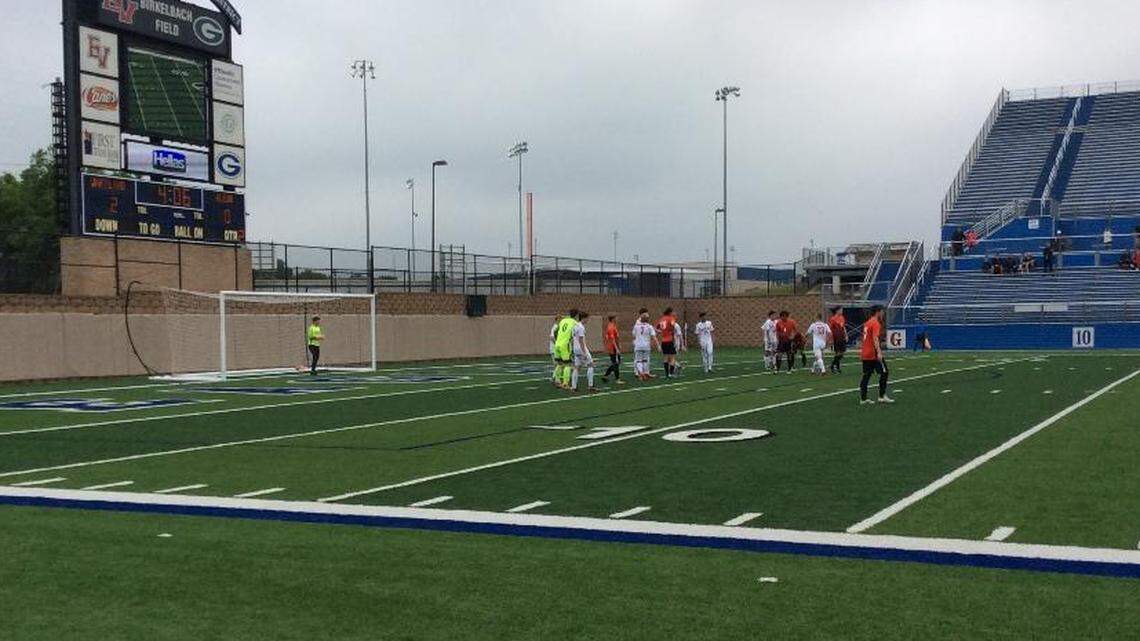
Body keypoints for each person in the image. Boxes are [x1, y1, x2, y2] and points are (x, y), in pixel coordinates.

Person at [859, 305, 893, 405]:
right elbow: (875, 338)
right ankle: (881, 396)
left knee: (866, 375)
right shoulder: (875, 323)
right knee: (885, 372)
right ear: (878, 312)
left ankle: (863, 398)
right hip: (872, 353)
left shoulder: (867, 322)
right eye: (882, 312)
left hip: (865, 352)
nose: (883, 314)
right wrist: (879, 352)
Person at [570, 312, 598, 393]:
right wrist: (585, 353)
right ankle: (590, 386)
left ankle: (574, 387)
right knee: (591, 365)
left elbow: (572, 339)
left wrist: (573, 349)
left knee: (577, 367)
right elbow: (581, 341)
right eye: (587, 318)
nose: (588, 320)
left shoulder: (575, 326)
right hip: (581, 349)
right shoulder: (581, 327)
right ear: (584, 318)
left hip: (575, 349)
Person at [553, 309, 578, 389]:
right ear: (576, 315)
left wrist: (558, 339)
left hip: (557, 344)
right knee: (568, 364)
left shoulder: (563, 320)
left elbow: (555, 331)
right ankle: (565, 383)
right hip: (565, 344)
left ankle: (557, 381)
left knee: (559, 363)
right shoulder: (574, 323)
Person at [632, 308, 659, 381]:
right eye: (646, 314)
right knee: (644, 360)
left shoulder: (636, 325)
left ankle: (643, 373)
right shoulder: (648, 326)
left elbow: (633, 334)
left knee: (639, 360)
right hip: (646, 345)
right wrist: (658, 345)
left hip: (638, 345)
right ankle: (640, 373)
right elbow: (654, 336)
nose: (647, 315)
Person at [656, 307, 682, 378]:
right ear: (670, 312)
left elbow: (657, 328)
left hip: (663, 341)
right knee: (672, 357)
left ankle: (667, 374)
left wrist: (662, 331)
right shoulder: (671, 318)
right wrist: (670, 330)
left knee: (665, 358)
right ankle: (671, 373)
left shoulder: (662, 319)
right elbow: (673, 325)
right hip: (670, 340)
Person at [601, 314, 625, 385]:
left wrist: (618, 345)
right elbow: (612, 339)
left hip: (613, 347)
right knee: (616, 363)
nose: (616, 319)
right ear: (612, 319)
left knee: (616, 363)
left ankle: (606, 375)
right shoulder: (611, 327)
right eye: (615, 318)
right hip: (612, 348)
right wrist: (617, 348)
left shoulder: (612, 326)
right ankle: (617, 379)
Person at [828, 307, 848, 373]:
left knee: (842, 353)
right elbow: (830, 329)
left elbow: (843, 327)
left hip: (842, 337)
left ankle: (832, 365)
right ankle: (837, 368)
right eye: (841, 310)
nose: (842, 311)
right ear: (837, 311)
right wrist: (831, 339)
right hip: (836, 337)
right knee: (838, 353)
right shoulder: (833, 319)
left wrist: (846, 335)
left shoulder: (842, 317)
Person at [548, 315, 561, 386]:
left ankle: (554, 378)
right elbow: (552, 338)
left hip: (555, 349)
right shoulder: (555, 327)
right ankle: (556, 380)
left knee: (558, 364)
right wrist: (557, 345)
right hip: (554, 349)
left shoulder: (556, 327)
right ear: (556, 320)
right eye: (559, 319)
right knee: (558, 364)